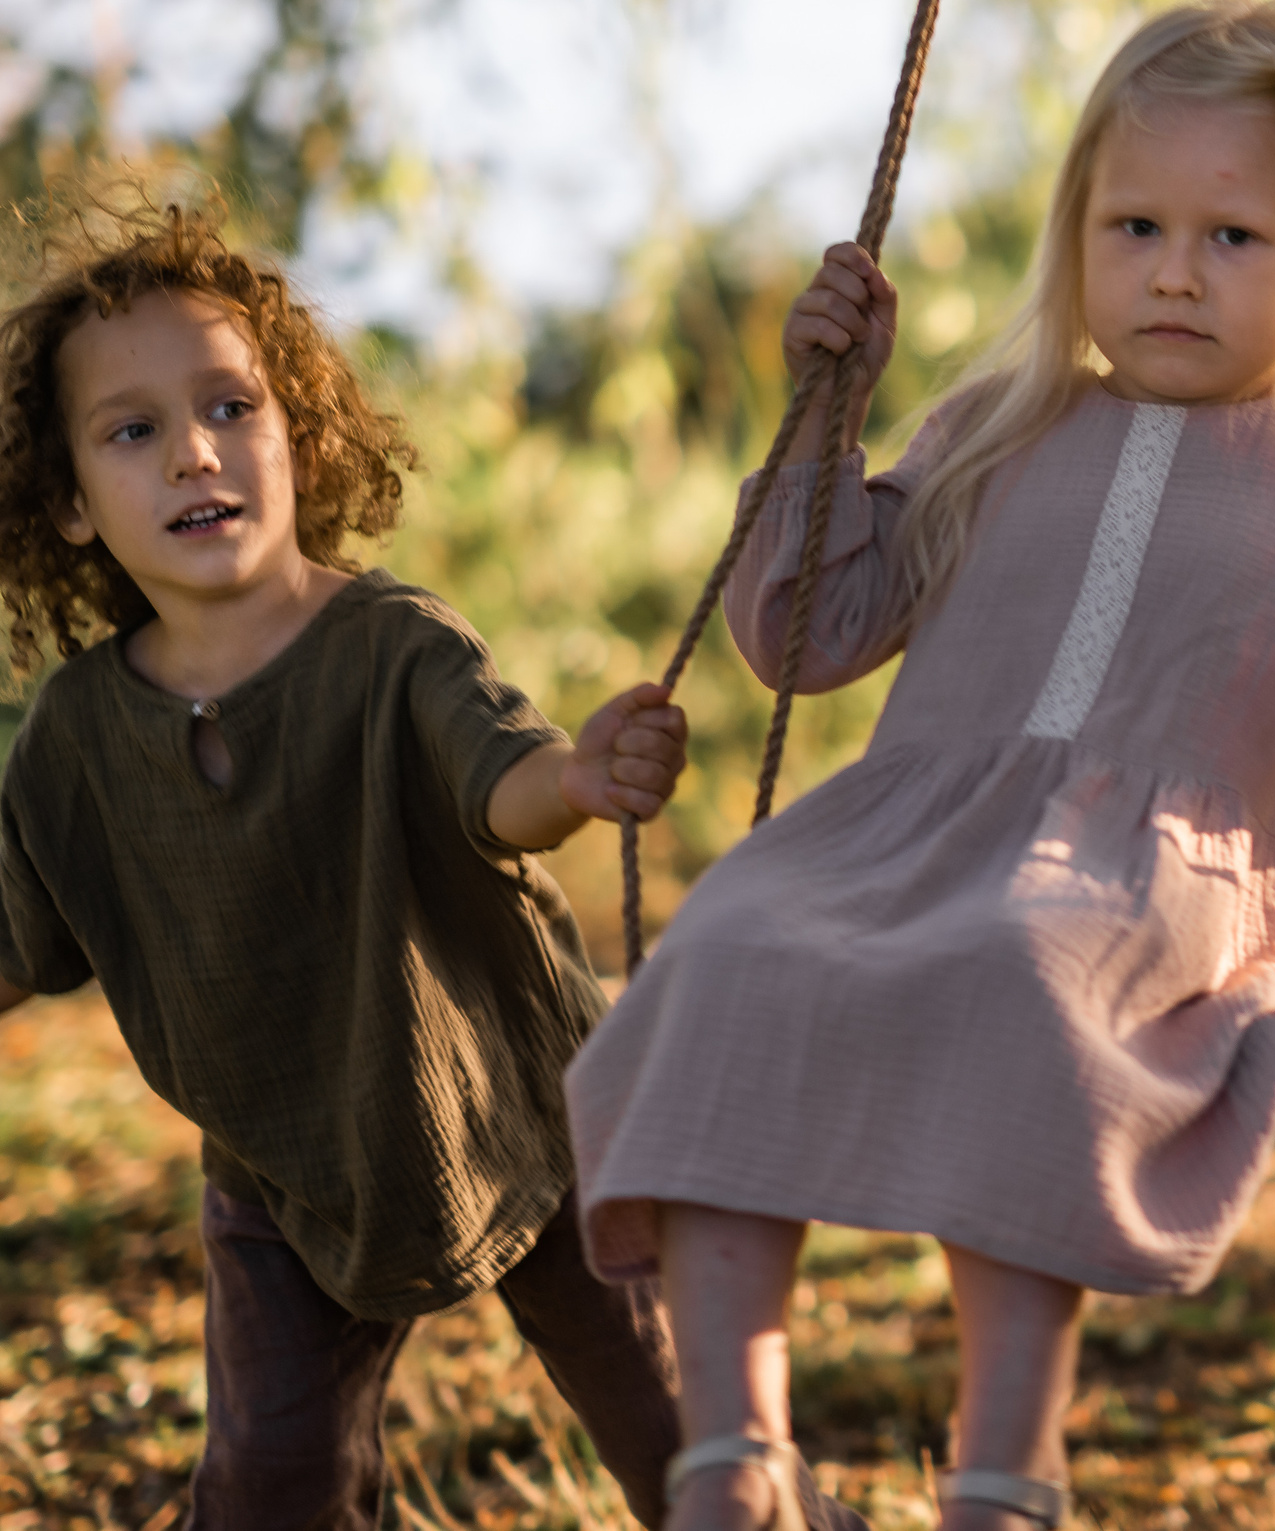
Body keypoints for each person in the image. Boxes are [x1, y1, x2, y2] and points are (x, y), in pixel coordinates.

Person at [566, 0, 1275, 1531]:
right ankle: (736, 1459)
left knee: (1027, 978)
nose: (1174, 270)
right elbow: (802, 633)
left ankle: (1006, 1473)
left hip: (1155, 880)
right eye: (1134, 227)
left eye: (1233, 238)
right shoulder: (1001, 420)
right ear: (1078, 240)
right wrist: (822, 421)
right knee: (727, 947)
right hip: (905, 832)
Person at [0, 199, 852, 1531]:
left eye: (232, 408)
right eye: (133, 431)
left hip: (534, 1114)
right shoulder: (74, 738)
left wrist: (575, 779)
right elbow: (18, 927)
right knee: (275, 1484)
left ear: (299, 431)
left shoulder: (392, 643)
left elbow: (494, 780)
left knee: (677, 1423)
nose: (194, 454)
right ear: (65, 500)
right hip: (283, 1168)